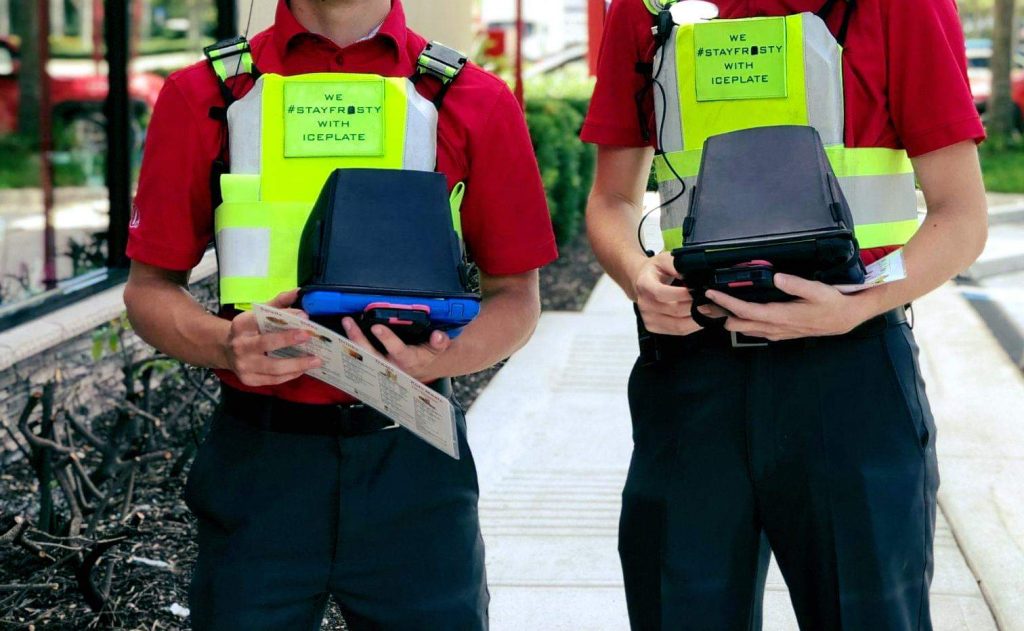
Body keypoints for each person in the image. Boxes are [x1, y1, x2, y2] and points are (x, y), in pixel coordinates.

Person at [123, 1, 557, 629]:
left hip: (411, 457)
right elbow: (147, 290)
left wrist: (442, 358)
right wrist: (223, 344)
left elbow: (516, 296)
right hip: (260, 462)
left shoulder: (475, 99)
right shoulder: (205, 94)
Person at [582, 0, 988, 629]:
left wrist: (857, 305)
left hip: (849, 377)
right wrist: (637, 274)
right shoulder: (646, 8)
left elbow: (960, 215)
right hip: (693, 376)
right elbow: (611, 198)